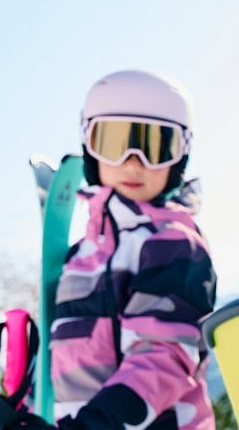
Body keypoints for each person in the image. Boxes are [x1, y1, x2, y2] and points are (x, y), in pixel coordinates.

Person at [49, 69, 217, 429]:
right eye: (114, 143)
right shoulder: (81, 257)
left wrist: (100, 421)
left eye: (155, 147)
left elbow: (167, 354)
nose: (133, 163)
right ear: (90, 147)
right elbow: (61, 359)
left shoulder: (173, 243)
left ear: (179, 156)